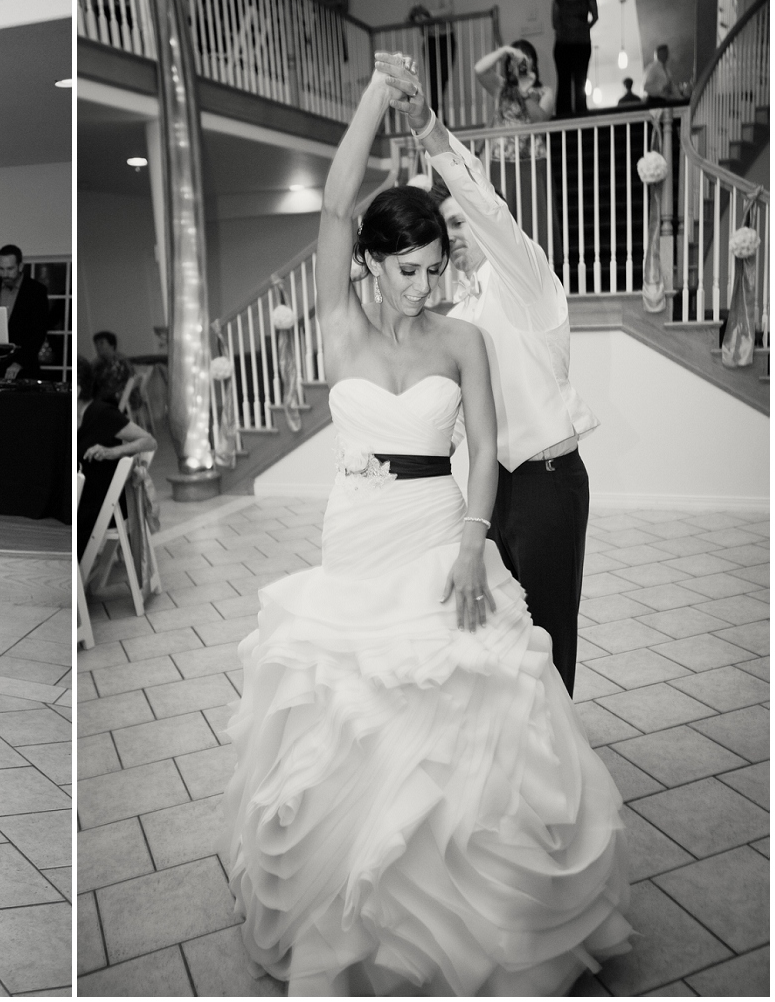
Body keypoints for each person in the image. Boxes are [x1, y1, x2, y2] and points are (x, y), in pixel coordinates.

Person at [222, 52, 631, 996]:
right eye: (405, 267)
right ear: (372, 263)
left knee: (476, 695)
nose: (422, 282)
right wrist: (374, 91)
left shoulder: (480, 324)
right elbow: (331, 207)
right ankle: (354, 897)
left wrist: (471, 538)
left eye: (434, 264)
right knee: (351, 711)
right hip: (354, 532)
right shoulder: (342, 325)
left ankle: (477, 885)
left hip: (451, 517)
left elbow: (482, 447)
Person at [405, 60, 598, 700]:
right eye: (447, 229)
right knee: (504, 635)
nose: (453, 238)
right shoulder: (458, 314)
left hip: (547, 486)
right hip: (494, 493)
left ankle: (563, 768)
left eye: (459, 224)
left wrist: (431, 131)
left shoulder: (528, 279)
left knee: (548, 635)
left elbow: (483, 203)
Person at [77, 356, 155, 564]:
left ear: (76, 390)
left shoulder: (101, 413)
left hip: (104, 504)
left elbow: (149, 441)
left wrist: (113, 452)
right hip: (89, 499)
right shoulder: (75, 417)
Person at [474, 40, 554, 241]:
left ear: (533, 63)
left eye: (524, 60)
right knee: (504, 218)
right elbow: (479, 69)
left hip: (533, 162)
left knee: (535, 218)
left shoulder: (544, 91)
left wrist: (526, 92)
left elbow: (540, 121)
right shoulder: (501, 87)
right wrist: (504, 50)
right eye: (515, 61)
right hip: (502, 162)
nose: (520, 64)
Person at [0, 244, 51, 382]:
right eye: (1, 269)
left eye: (10, 269)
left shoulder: (36, 290)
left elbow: (39, 332)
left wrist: (20, 362)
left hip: (24, 364)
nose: (5, 274)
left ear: (20, 266)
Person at [407, 0, 454, 122]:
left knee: (443, 77)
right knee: (433, 80)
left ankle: (438, 114)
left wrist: (428, 13)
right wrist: (414, 15)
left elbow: (449, 10)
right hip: (429, 40)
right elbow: (410, 17)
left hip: (446, 37)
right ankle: (438, 117)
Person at [552, 0, 598, 117]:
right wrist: (564, 32)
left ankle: (581, 115)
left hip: (582, 45)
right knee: (564, 83)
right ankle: (563, 117)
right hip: (563, 46)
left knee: (581, 81)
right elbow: (555, 22)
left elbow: (595, 16)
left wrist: (584, 28)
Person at [90, 330, 136, 408]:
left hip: (119, 401)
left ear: (112, 345)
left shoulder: (119, 362)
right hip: (110, 400)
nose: (98, 346)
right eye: (96, 343)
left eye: (101, 343)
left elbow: (110, 388)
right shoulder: (100, 362)